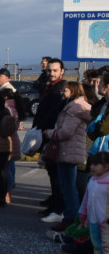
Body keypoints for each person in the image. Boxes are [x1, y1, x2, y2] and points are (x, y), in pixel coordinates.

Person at [44, 81, 91, 231]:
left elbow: (66, 132)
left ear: (73, 91)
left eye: (65, 90)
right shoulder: (78, 106)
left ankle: (71, 218)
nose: (62, 93)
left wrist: (49, 133)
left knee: (68, 186)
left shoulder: (74, 108)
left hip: (68, 150)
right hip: (71, 150)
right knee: (70, 186)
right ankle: (73, 217)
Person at [33, 58, 67, 222]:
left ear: (62, 71)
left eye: (55, 70)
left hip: (53, 135)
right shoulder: (50, 87)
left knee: (57, 175)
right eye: (49, 70)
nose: (51, 73)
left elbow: (55, 113)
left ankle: (58, 209)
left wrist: (46, 130)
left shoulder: (60, 89)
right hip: (46, 134)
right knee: (52, 173)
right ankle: (54, 204)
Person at [80, 151, 109, 254]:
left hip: (106, 219)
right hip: (93, 218)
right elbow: (86, 199)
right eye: (92, 164)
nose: (92, 167)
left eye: (96, 164)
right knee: (96, 240)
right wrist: (82, 213)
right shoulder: (92, 180)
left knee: (107, 241)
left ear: (107, 166)